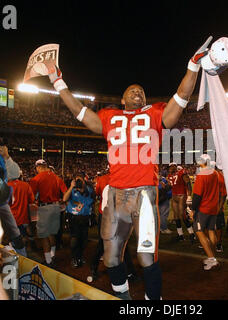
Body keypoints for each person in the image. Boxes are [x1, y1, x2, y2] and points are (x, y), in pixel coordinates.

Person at [47, 36, 212, 300]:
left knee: (145, 257)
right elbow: (78, 110)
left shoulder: (156, 112)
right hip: (116, 195)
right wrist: (58, 80)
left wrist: (192, 66)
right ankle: (123, 299)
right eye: (133, 90)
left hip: (144, 195)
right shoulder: (109, 116)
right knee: (111, 258)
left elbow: (181, 97)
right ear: (122, 100)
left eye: (141, 91)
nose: (138, 92)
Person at [29, 159, 67, 267]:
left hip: (44, 207)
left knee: (44, 235)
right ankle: (52, 254)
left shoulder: (37, 178)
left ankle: (48, 260)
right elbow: (65, 192)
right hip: (56, 207)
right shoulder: (57, 177)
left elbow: (31, 197)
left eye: (36, 168)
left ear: (39, 167)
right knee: (51, 233)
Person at [187, 154, 220, 270]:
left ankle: (211, 259)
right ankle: (213, 256)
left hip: (203, 208)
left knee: (199, 231)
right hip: (213, 207)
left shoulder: (202, 175)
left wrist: (193, 210)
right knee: (211, 231)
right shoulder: (215, 173)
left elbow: (197, 196)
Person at [0, 141, 27, 257]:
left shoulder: (2, 159)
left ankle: (22, 259)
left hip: (1, 200)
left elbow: (15, 172)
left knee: (15, 233)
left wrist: (6, 156)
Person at [63, 173, 95, 268]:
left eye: (80, 180)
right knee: (74, 238)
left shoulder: (89, 190)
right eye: (76, 180)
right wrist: (71, 187)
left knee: (83, 240)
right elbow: (64, 198)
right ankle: (74, 258)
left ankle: (80, 256)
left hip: (84, 217)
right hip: (74, 217)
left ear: (84, 180)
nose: (78, 182)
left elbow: (91, 201)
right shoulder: (72, 190)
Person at [7, 169, 35, 249]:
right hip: (24, 217)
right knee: (23, 236)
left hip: (12, 218)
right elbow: (31, 200)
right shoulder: (26, 185)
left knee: (14, 241)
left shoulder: (7, 186)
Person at [167, 163, 195, 242]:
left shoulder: (181, 172)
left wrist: (189, 195)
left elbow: (188, 183)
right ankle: (180, 235)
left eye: (171, 167)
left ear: (174, 166)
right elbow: (171, 186)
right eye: (169, 167)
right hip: (174, 196)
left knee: (182, 215)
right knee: (176, 216)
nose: (169, 168)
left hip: (181, 196)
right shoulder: (169, 176)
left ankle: (192, 233)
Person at [210, 161, 226, 253]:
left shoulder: (220, 177)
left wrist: (220, 207)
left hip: (216, 205)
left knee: (218, 226)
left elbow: (223, 194)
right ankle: (210, 242)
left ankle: (219, 243)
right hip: (206, 205)